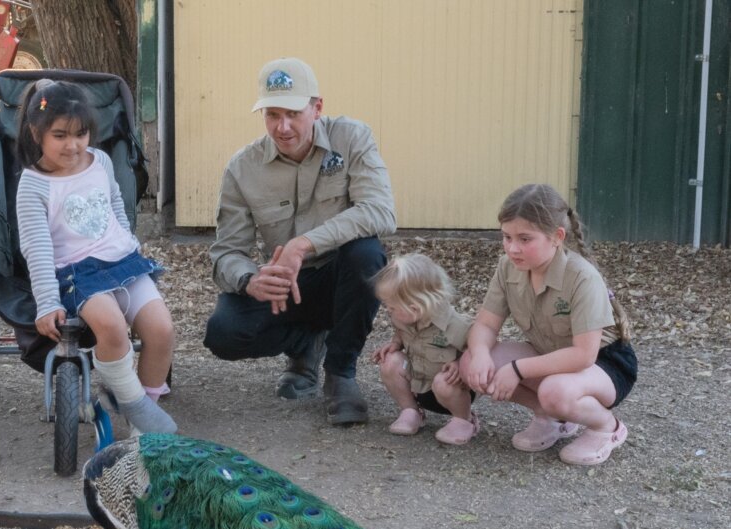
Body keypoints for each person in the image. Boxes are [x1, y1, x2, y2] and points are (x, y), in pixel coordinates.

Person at [204, 57, 396, 425]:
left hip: (340, 280)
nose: (283, 126)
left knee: (367, 254)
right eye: (272, 115)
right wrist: (251, 280)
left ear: (317, 107)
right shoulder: (242, 168)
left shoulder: (352, 138)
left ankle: (341, 374)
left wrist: (302, 244)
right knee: (223, 334)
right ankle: (304, 344)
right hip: (283, 288)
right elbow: (227, 252)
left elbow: (381, 211)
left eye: (293, 113)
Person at [13, 80, 176, 434]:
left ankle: (142, 426)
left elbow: (114, 203)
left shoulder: (100, 160)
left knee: (162, 331)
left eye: (81, 133)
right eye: (60, 135)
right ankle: (138, 410)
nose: (72, 145)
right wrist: (46, 301)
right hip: (78, 273)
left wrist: (128, 241)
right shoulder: (33, 184)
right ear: (35, 132)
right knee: (112, 327)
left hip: (123, 262)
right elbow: (36, 246)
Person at [462, 184, 637, 466]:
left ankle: (607, 427)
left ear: (557, 237)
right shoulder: (507, 267)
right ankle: (554, 418)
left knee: (555, 390)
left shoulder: (581, 276)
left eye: (524, 239)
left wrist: (517, 370)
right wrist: (481, 355)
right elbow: (485, 324)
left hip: (604, 365)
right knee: (471, 361)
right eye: (506, 237)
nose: (513, 248)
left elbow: (583, 355)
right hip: (551, 358)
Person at [369, 253, 477, 445]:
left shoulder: (455, 326)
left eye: (392, 307)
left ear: (415, 307)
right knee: (390, 362)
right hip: (418, 383)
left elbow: (480, 348)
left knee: (444, 382)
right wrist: (396, 344)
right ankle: (411, 411)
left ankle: (465, 420)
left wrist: (461, 363)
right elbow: (401, 332)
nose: (388, 311)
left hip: (450, 388)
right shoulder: (403, 319)